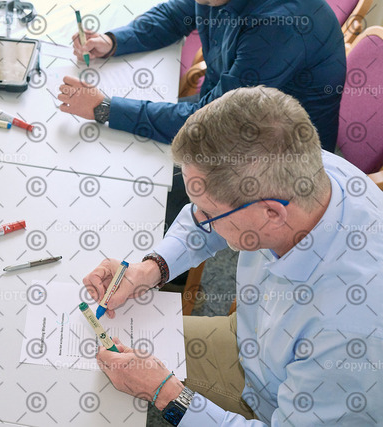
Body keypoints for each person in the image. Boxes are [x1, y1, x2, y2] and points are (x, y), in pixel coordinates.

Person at [83, 86, 383, 425]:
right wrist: (152, 268)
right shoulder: (299, 162)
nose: (199, 219)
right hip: (250, 336)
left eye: (209, 213)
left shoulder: (350, 334)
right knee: (99, 358)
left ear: (271, 214)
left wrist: (167, 394)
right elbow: (207, 219)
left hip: (271, 404)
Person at [58, 0, 345, 152]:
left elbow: (214, 120)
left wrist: (105, 109)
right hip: (226, 104)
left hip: (274, 152)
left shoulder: (278, 27)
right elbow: (174, 15)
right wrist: (112, 41)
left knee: (143, 185)